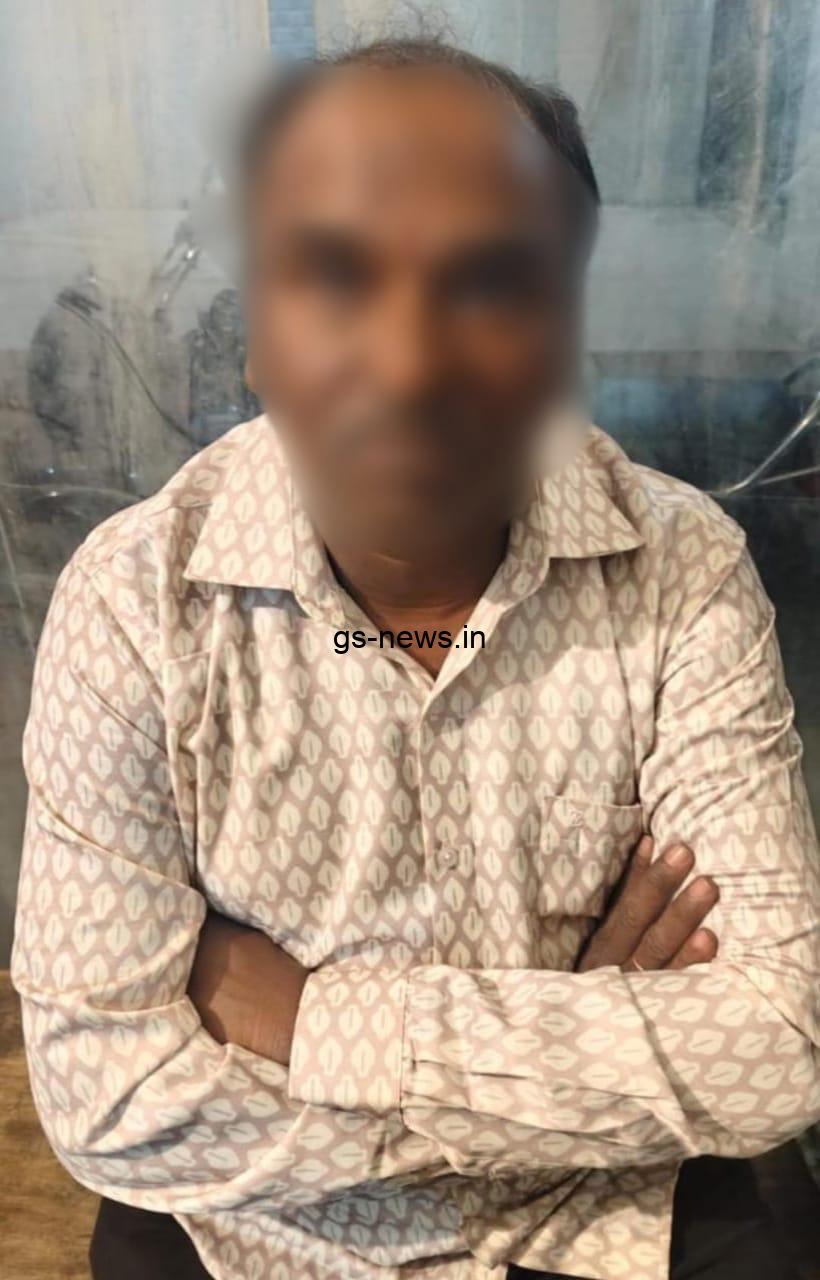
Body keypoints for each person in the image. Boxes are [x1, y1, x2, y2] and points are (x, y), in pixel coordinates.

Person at [11, 32, 819, 1280]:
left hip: (615, 1219)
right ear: (256, 330)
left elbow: (776, 1037)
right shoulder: (133, 606)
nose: (406, 364)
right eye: (333, 275)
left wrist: (315, 1019)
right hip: (257, 1227)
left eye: (490, 282)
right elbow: (106, 1100)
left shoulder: (680, 570)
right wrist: (570, 1060)